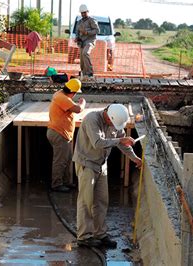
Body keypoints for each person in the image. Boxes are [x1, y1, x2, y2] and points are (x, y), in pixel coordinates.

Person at [72, 104, 142, 248]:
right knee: (86, 201)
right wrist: (120, 141)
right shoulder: (92, 119)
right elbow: (97, 143)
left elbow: (123, 144)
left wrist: (135, 158)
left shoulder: (115, 122)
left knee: (102, 201)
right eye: (113, 123)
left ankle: (100, 234)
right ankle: (84, 237)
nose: (115, 127)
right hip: (87, 164)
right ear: (108, 116)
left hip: (101, 165)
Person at [47, 78, 86, 192]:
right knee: (60, 160)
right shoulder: (62, 98)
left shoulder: (61, 95)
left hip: (63, 134)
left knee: (68, 159)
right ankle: (57, 184)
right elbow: (78, 109)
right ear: (73, 92)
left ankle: (67, 182)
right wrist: (82, 103)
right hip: (58, 133)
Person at [75, 4, 100, 79]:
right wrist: (77, 38)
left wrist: (87, 32)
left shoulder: (91, 20)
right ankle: (84, 74)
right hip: (82, 42)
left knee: (85, 53)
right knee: (82, 59)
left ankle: (90, 73)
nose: (83, 14)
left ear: (87, 11)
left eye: (84, 12)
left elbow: (97, 30)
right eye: (82, 13)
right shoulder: (79, 22)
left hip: (90, 41)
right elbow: (77, 32)